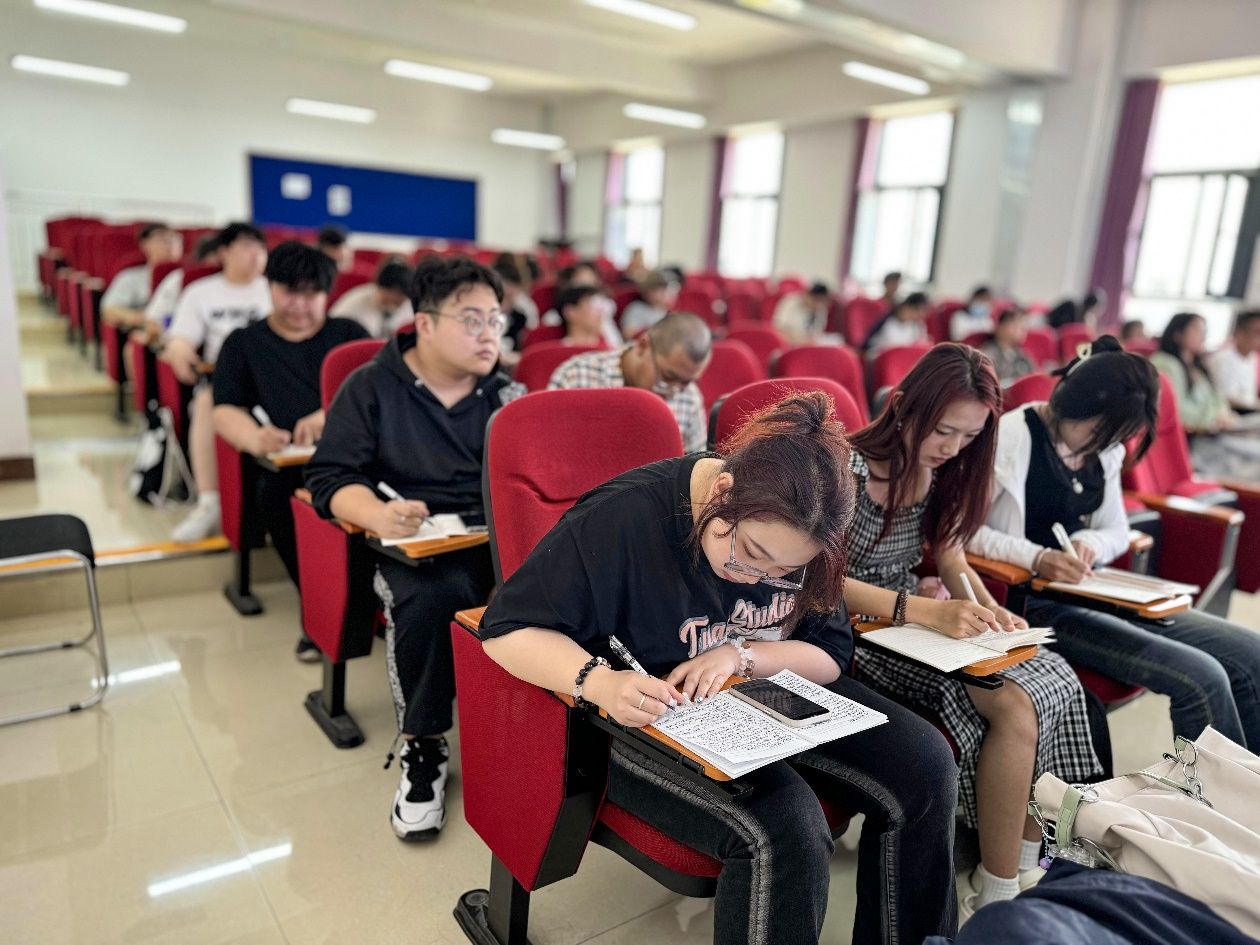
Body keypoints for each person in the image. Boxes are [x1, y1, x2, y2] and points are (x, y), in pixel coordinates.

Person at [480, 392, 960, 945]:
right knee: (785, 827)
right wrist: (601, 682)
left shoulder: (807, 530)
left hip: (754, 692)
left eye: (785, 570)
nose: (758, 579)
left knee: (927, 765)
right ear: (722, 493)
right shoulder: (622, 519)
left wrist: (742, 655)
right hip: (643, 711)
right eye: (751, 553)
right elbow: (505, 629)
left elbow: (829, 653)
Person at [840, 343, 1100, 920]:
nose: (953, 447)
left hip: (912, 617)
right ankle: (998, 886)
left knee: (1053, 676)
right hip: (857, 628)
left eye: (969, 436)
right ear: (903, 406)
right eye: (943, 431)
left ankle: (1023, 858)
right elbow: (819, 579)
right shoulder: (846, 469)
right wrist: (923, 610)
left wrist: (989, 613)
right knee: (1011, 702)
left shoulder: (942, 472)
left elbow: (952, 557)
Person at [304, 255, 524, 839]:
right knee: (436, 596)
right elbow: (329, 478)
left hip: (491, 534)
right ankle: (423, 742)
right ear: (424, 323)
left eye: (496, 320)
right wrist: (379, 514)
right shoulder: (371, 387)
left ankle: (541, 744)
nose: (488, 334)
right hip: (411, 543)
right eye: (471, 320)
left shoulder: (507, 394)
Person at [968, 336, 1260, 753]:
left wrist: (1089, 542)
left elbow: (1116, 530)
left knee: (1251, 653)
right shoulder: (1012, 437)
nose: (1101, 447)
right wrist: (1038, 557)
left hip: (1092, 588)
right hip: (1034, 603)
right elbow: (965, 532)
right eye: (1097, 433)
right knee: (1203, 678)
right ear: (1072, 405)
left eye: (1114, 438)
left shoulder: (1104, 449)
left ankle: (1247, 783)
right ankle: (1216, 792)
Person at [211, 242, 368, 658]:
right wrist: (254, 438)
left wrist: (328, 413)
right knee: (277, 497)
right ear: (270, 287)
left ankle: (363, 602)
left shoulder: (349, 337)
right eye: (289, 292)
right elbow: (225, 409)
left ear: (328, 294)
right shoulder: (243, 343)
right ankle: (321, 609)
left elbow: (379, 396)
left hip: (359, 458)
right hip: (286, 466)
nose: (300, 305)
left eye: (312, 294)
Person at [163, 222, 270, 542]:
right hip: (225, 380)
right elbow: (180, 339)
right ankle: (209, 501)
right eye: (246, 247)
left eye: (260, 248)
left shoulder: (274, 289)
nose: (255, 255)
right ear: (223, 252)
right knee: (206, 402)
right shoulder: (201, 292)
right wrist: (179, 349)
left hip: (274, 378)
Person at [549, 312, 712, 453]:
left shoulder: (689, 396)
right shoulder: (576, 377)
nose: (673, 391)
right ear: (642, 346)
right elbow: (549, 452)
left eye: (685, 382)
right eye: (667, 377)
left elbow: (695, 466)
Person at [1151, 313, 1260, 480]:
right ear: (1178, 334)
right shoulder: (1166, 364)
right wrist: (1214, 418)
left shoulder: (1197, 365)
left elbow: (1217, 398)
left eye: (1205, 331)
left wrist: (1223, 413)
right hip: (1198, 439)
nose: (1203, 336)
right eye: (1197, 330)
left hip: (1217, 430)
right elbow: (1176, 410)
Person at [100, 224, 183, 331]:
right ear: (145, 244)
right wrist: (139, 317)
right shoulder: (131, 277)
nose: (169, 244)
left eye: (174, 239)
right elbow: (108, 309)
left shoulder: (186, 277)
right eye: (162, 239)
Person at [330, 261, 414, 338]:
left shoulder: (409, 306)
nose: (394, 298)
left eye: (400, 296)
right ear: (378, 286)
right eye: (390, 292)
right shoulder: (353, 305)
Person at [1208, 310, 1260, 413]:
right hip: (1229, 413)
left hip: (1249, 411)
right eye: (1257, 332)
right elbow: (1225, 398)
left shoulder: (1253, 357)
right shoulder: (1222, 359)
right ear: (1240, 333)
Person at [863, 291, 930, 356]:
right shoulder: (887, 322)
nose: (920, 315)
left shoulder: (917, 326)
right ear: (905, 307)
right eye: (916, 310)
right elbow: (869, 346)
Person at [981, 309, 1035, 384]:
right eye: (1016, 325)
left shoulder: (1022, 354)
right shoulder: (986, 355)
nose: (1022, 330)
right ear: (1000, 328)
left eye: (1024, 326)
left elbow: (1034, 378)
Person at [620, 270, 679, 338]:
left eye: (666, 290)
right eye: (658, 290)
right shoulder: (636, 309)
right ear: (646, 292)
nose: (664, 294)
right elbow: (628, 334)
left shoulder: (666, 312)